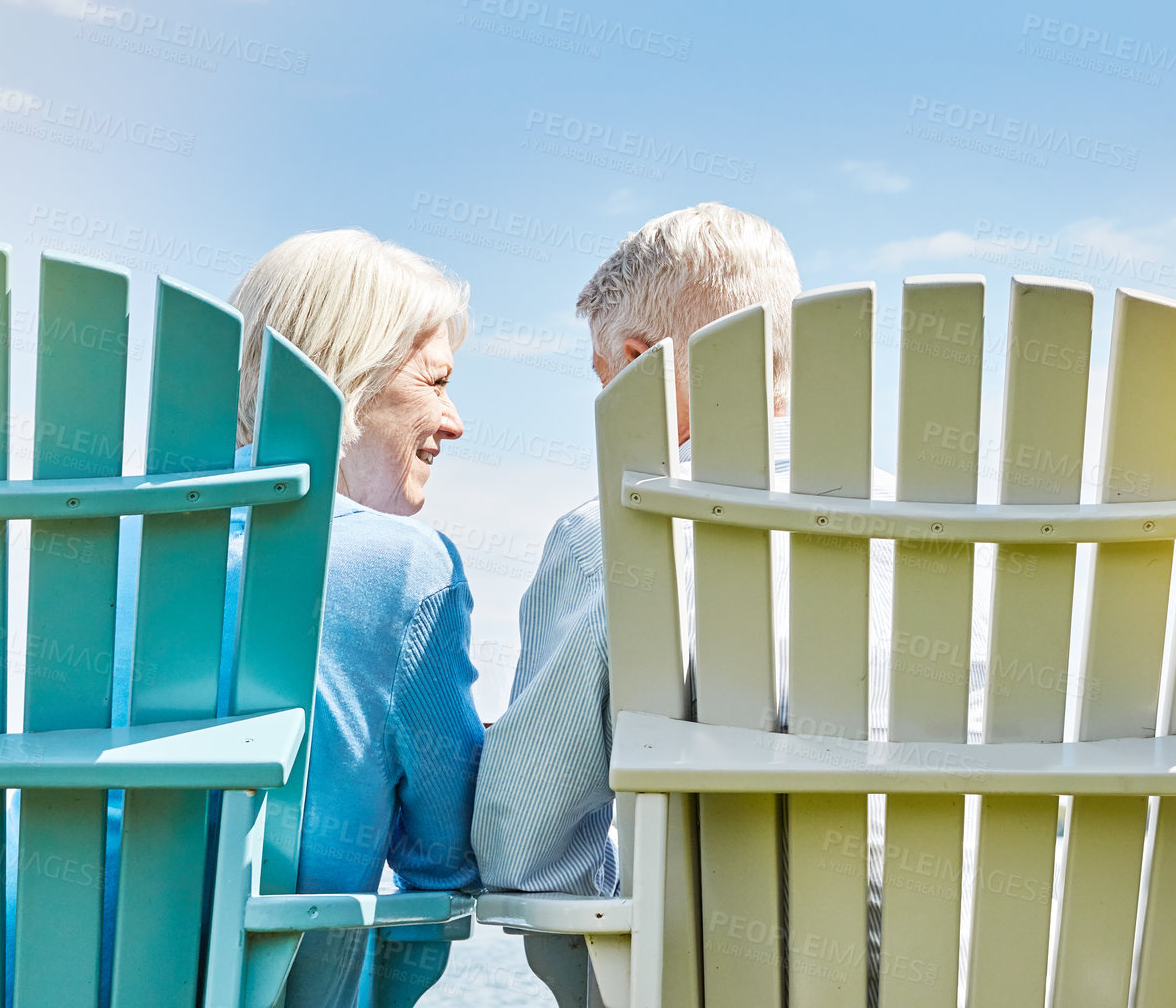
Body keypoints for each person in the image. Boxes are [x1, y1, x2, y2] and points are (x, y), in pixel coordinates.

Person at [471, 203, 895, 1002]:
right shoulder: (950, 535)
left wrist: (610, 985)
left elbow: (525, 844)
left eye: (603, 382)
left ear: (639, 364)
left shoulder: (614, 534)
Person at [226, 229, 484, 1008]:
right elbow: (442, 866)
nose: (453, 420)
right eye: (435, 380)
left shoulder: (100, 541)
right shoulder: (401, 568)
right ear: (348, 373)